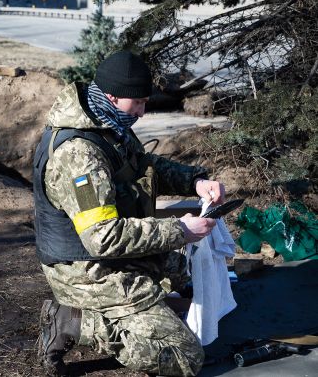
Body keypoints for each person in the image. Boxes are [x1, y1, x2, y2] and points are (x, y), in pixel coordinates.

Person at [34, 50, 226, 376]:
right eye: (136, 103)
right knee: (184, 357)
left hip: (106, 256)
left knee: (184, 271)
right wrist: (180, 230)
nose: (142, 110)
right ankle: (75, 322)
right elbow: (102, 238)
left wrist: (196, 181)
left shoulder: (107, 123)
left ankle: (133, 309)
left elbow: (143, 166)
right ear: (111, 96)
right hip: (86, 270)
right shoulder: (79, 155)